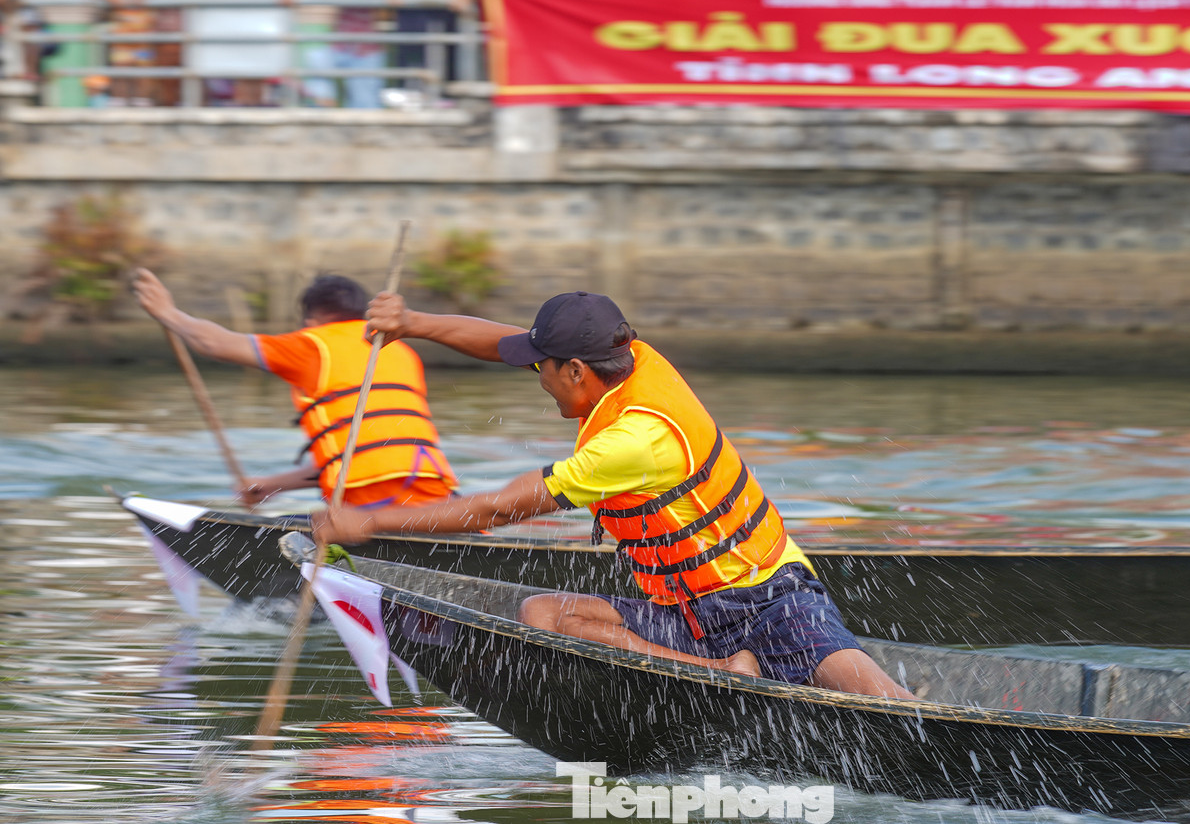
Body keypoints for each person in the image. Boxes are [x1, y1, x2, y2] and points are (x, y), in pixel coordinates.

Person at [313, 291, 914, 699]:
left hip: (772, 597)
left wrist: (366, 524)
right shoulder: (625, 357)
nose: (536, 378)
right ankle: (724, 673)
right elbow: (503, 343)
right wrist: (411, 324)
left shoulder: (633, 440)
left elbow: (497, 510)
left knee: (898, 711)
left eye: (542, 368)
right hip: (693, 616)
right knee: (544, 615)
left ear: (575, 370)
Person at [132, 269, 458, 510]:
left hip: (373, 504)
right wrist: (273, 485)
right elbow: (363, 450)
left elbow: (214, 342)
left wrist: (168, 314)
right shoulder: (399, 349)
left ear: (310, 319)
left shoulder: (313, 345)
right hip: (438, 500)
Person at [305, 0, 386, 109]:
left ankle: (363, 127)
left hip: (366, 52)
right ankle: (324, 105)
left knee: (365, 102)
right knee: (316, 59)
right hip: (341, 48)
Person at [85, 0, 172, 106]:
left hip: (144, 33)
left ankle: (142, 101)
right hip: (120, 34)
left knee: (143, 70)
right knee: (120, 68)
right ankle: (119, 101)